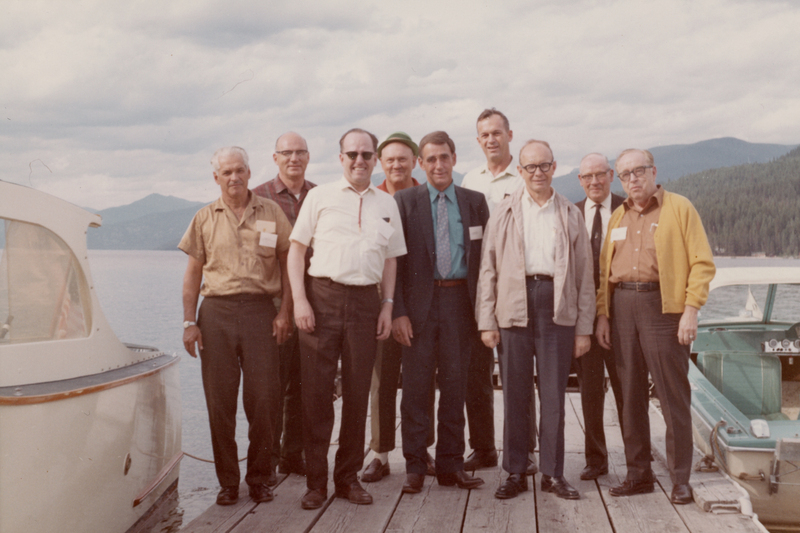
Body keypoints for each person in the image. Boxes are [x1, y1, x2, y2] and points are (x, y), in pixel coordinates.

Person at [288, 128, 407, 510]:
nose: (360, 161)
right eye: (352, 154)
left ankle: (347, 479)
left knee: (357, 394)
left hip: (365, 303)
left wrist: (387, 305)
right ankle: (315, 484)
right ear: (341, 158)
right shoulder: (318, 197)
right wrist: (300, 302)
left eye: (366, 155)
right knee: (317, 395)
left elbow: (391, 259)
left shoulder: (388, 203)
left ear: (375, 160)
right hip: (321, 299)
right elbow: (296, 251)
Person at [596, 148, 715, 505]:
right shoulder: (617, 216)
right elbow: (605, 274)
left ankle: (680, 478)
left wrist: (691, 309)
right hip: (622, 309)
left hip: (664, 309)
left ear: (653, 171)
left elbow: (702, 263)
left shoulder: (679, 208)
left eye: (638, 171)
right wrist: (603, 314)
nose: (632, 179)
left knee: (671, 395)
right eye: (625, 174)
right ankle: (638, 474)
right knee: (629, 394)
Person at [477, 140, 594, 500]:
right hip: (514, 306)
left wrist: (584, 328)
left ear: (554, 167)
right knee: (514, 393)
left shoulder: (570, 213)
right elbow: (488, 267)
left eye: (544, 166)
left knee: (555, 396)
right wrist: (486, 320)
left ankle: (553, 473)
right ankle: (515, 471)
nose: (538, 173)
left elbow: (584, 275)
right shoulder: (505, 210)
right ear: (521, 171)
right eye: (530, 167)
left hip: (556, 307)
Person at [180, 146, 292, 506]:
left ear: (248, 171)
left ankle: (260, 478)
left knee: (264, 400)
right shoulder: (204, 218)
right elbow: (193, 274)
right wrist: (189, 322)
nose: (234, 177)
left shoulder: (272, 212)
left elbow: (289, 265)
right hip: (216, 315)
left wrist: (285, 313)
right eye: (226, 172)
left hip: (261, 311)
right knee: (220, 403)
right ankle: (228, 482)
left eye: (240, 170)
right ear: (216, 177)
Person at [393, 131, 490, 494]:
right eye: (430, 159)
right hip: (418, 307)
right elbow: (395, 263)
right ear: (421, 163)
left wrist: (485, 311)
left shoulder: (475, 202)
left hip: (460, 305)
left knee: (456, 387)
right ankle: (415, 466)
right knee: (416, 389)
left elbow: (484, 261)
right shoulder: (404, 202)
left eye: (444, 157)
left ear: (454, 159)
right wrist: (399, 312)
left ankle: (451, 466)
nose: (438, 165)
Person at [461, 108, 533, 474]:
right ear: (478, 141)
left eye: (497, 133)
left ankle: (525, 450)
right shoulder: (470, 180)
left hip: (515, 282)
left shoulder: (522, 177)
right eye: (485, 134)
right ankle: (484, 447)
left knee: (516, 372)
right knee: (478, 372)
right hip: (477, 282)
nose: (491, 139)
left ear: (509, 134)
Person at [362, 132, 436, 483]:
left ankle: (423, 450)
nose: (396, 165)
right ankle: (379, 453)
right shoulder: (371, 199)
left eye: (403, 159)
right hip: (380, 304)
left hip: (422, 306)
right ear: (380, 162)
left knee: (422, 382)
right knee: (382, 380)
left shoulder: (429, 197)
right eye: (389, 159)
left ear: (415, 161)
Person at [251, 132, 316, 479]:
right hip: (273, 304)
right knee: (271, 386)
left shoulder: (321, 196)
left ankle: (294, 455)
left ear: (308, 157)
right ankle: (269, 460)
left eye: (300, 152)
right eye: (287, 153)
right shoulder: (258, 197)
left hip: (313, 301)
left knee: (304, 383)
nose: (294, 158)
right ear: (275, 157)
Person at [573, 153, 625, 481]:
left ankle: (637, 454)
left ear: (611, 175)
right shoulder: (571, 213)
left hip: (623, 314)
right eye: (587, 176)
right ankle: (596, 458)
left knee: (627, 388)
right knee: (590, 390)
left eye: (600, 175)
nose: (594, 182)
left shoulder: (627, 208)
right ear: (580, 180)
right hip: (583, 317)